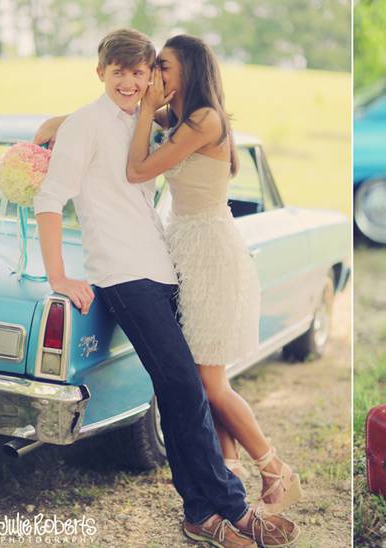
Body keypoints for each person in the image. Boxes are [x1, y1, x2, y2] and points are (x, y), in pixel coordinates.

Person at [33, 28, 298, 547]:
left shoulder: (145, 119)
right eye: (122, 71)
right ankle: (221, 508)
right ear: (101, 72)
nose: (133, 81)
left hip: (162, 265)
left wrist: (73, 119)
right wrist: (58, 275)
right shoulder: (88, 123)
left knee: (185, 390)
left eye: (143, 70)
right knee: (182, 387)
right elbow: (49, 199)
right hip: (122, 274)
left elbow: (135, 138)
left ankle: (215, 510)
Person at [126, 34, 303, 515]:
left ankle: (273, 467)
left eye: (163, 65)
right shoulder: (179, 119)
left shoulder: (205, 120)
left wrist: (146, 110)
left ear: (190, 71)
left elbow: (140, 170)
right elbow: (121, 119)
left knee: (209, 383)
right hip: (182, 250)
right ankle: (231, 476)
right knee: (199, 376)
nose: (154, 73)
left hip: (209, 254)